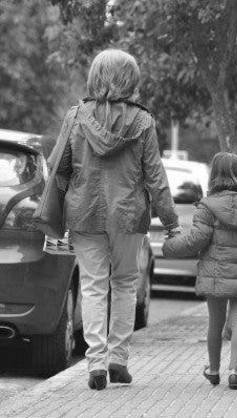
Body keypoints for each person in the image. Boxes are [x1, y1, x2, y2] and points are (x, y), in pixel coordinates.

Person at [54, 49, 179, 390]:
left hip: (85, 210)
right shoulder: (142, 121)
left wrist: (54, 214)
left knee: (93, 285)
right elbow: (155, 176)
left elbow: (58, 168)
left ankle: (95, 363)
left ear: (96, 77)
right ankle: (118, 359)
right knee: (124, 283)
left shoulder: (76, 116)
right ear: (130, 80)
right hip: (128, 213)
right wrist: (171, 221)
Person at [163, 152, 237, 390]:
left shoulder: (208, 206)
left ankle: (214, 371)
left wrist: (170, 246)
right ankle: (235, 372)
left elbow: (197, 239)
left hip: (215, 275)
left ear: (214, 175)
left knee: (216, 322)